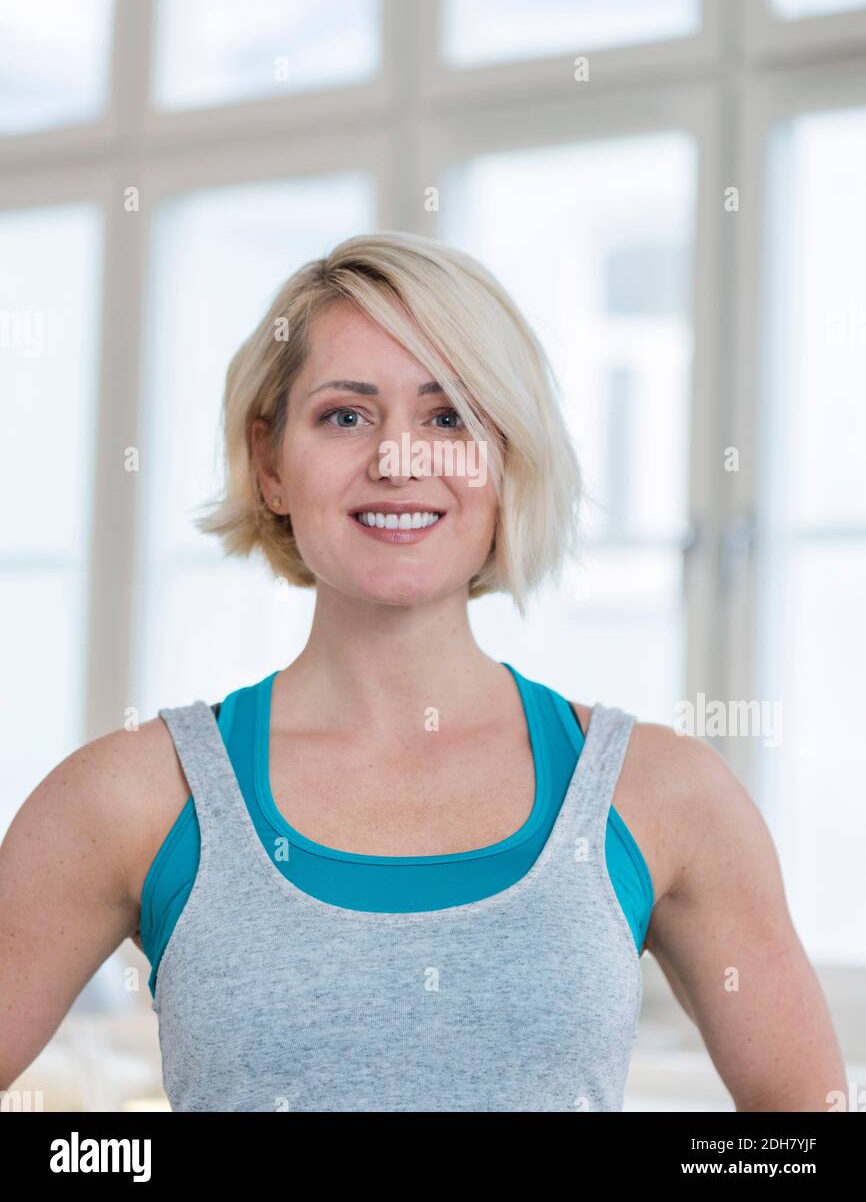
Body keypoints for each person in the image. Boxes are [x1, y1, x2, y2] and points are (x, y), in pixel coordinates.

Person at [0, 232, 846, 1111]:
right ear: (270, 464)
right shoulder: (131, 796)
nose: (401, 460)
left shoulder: (665, 795)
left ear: (505, 463)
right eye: (345, 416)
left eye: (449, 418)